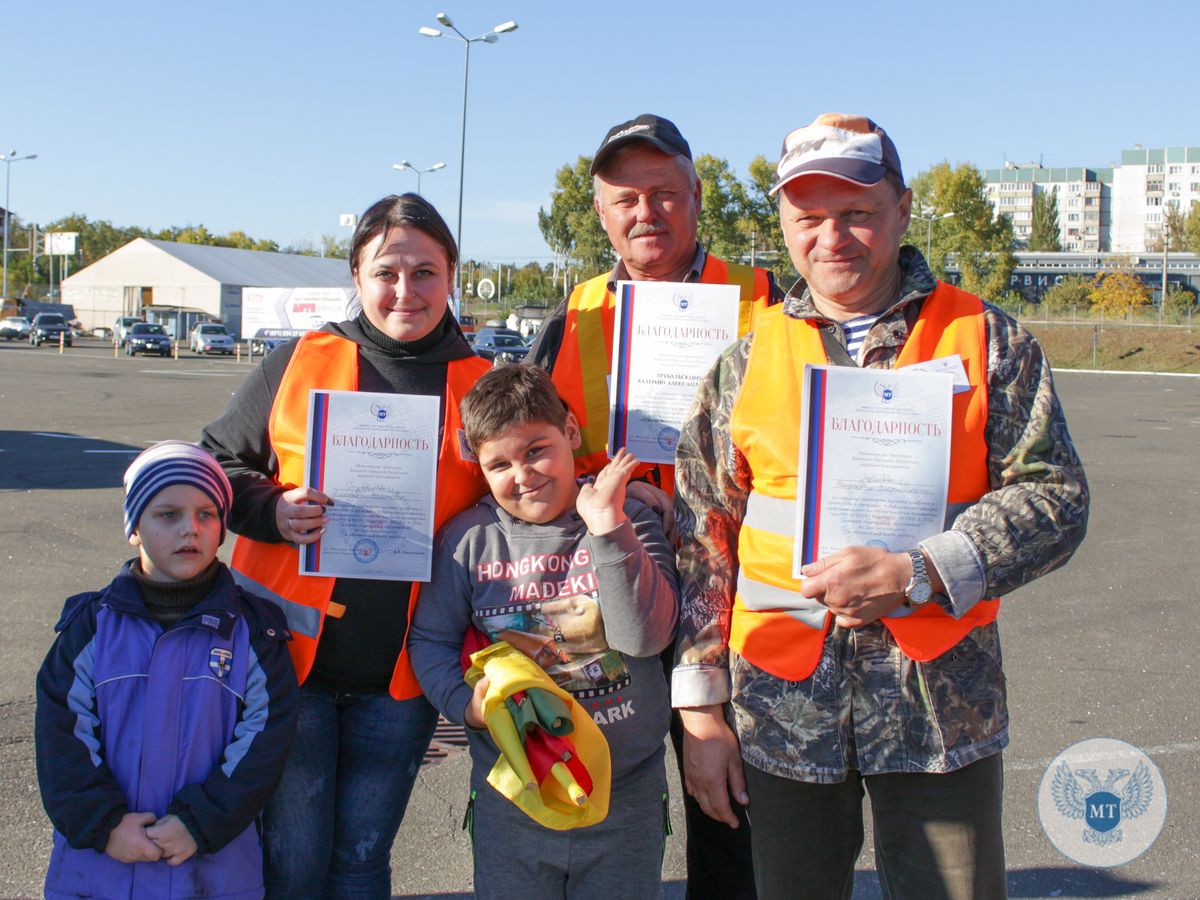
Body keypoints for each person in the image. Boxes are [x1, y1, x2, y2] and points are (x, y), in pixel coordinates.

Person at [672, 113, 1091, 899]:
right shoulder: (745, 361)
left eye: (857, 212)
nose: (833, 237)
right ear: (786, 226)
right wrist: (700, 711)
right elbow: (702, 536)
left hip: (940, 713)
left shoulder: (988, 341)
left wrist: (923, 571)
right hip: (781, 711)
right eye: (809, 217)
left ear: (902, 208)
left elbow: (1057, 496)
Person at [200, 194, 491, 898]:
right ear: (356, 276)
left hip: (402, 678)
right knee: (293, 864)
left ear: (451, 274)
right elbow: (215, 466)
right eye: (386, 270)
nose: (405, 290)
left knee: (362, 860)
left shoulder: (482, 384)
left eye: (425, 271)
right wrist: (274, 509)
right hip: (290, 666)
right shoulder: (298, 360)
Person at [528, 113, 778, 899]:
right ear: (600, 213)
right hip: (608, 590)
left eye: (664, 193)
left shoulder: (766, 298)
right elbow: (526, 443)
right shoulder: (578, 310)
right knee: (598, 799)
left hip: (726, 588)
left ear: (698, 198)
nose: (646, 213)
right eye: (625, 199)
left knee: (730, 805)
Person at [408, 364, 679, 900]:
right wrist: (465, 705)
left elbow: (645, 639)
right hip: (516, 797)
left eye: (536, 450)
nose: (523, 474)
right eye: (499, 464)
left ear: (572, 433)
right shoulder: (468, 541)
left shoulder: (629, 519)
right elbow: (430, 641)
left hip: (625, 793)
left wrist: (608, 528)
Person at [35, 440, 299, 900]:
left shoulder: (254, 633)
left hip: (212, 874)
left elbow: (265, 739)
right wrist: (105, 825)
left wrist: (200, 822)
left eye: (206, 514)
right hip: (100, 872)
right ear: (134, 527)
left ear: (222, 528)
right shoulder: (90, 629)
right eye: (167, 515)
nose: (189, 530)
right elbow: (62, 737)